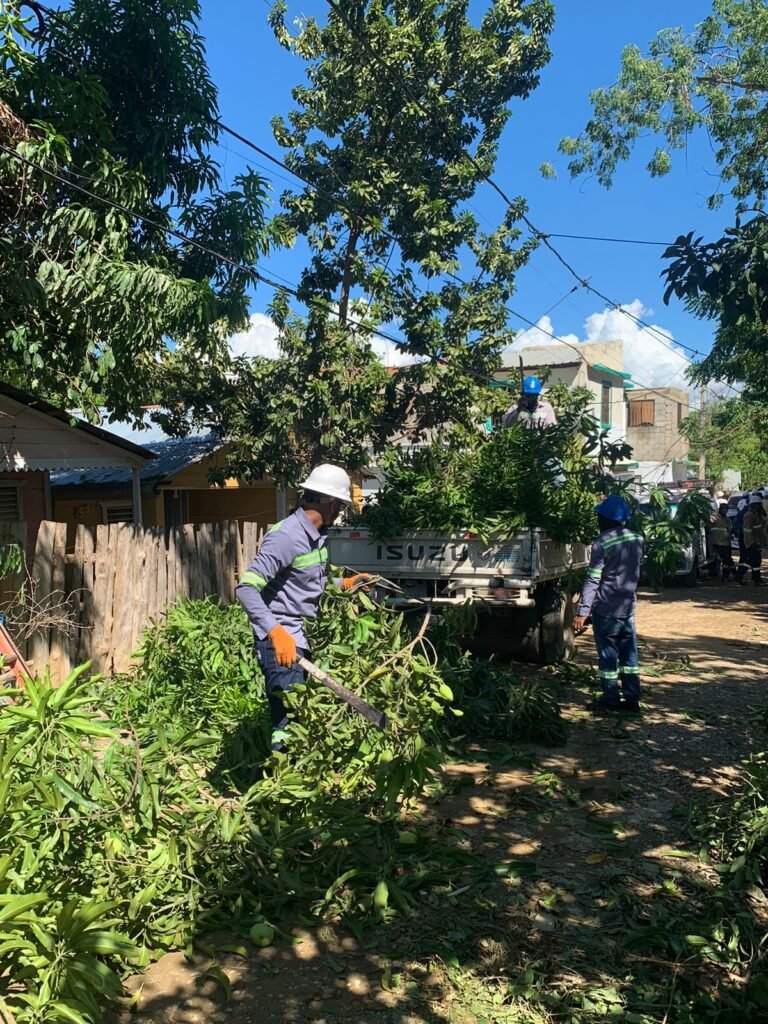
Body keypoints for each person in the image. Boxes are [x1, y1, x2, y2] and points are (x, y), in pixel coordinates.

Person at [236, 464, 372, 749]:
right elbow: (246, 589)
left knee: (296, 718)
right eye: (340, 506)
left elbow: (310, 583)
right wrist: (275, 633)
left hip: (297, 638)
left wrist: (346, 584)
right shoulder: (286, 536)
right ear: (332, 503)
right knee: (286, 725)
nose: (339, 513)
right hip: (281, 644)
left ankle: (288, 774)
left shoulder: (316, 538)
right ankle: (280, 782)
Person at [573, 495, 644, 714]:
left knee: (608, 656)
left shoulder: (602, 542)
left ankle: (610, 699)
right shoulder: (637, 539)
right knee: (629, 655)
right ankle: (632, 700)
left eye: (599, 516)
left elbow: (594, 579)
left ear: (606, 518)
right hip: (627, 606)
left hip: (606, 608)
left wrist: (583, 611)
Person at [739, 493, 767, 587]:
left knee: (755, 561)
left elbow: (761, 528)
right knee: (753, 561)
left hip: (757, 541)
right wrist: (751, 542)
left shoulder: (757, 514)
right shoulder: (749, 515)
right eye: (759, 504)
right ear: (754, 504)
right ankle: (746, 577)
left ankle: (756, 578)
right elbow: (747, 531)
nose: (760, 506)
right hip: (751, 543)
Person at [710, 502, 736, 581]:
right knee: (726, 559)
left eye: (726, 509)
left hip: (727, 542)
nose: (725, 511)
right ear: (720, 509)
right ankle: (730, 575)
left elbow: (730, 529)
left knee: (728, 560)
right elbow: (707, 523)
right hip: (718, 542)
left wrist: (732, 532)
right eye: (723, 509)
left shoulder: (727, 519)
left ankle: (730, 574)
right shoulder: (714, 517)